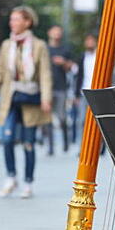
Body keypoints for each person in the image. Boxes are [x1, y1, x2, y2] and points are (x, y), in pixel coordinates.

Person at [0, 6, 52, 198]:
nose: (12, 23)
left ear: (27, 22)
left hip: (30, 98)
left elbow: (45, 74)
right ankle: (11, 177)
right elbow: (0, 73)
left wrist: (46, 99)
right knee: (6, 140)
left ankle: (28, 182)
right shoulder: (7, 45)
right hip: (10, 98)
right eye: (11, 19)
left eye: (16, 19)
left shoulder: (39, 45)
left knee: (28, 143)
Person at [42, 25, 73, 155]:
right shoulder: (44, 49)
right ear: (49, 33)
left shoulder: (65, 49)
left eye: (59, 32)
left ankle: (66, 142)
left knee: (61, 117)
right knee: (47, 118)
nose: (56, 34)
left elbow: (71, 67)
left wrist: (63, 63)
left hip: (61, 87)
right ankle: (50, 147)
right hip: (46, 88)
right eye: (54, 31)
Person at [75, 33, 97, 144]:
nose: (89, 43)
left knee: (97, 121)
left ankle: (97, 146)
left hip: (97, 92)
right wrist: (76, 95)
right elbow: (79, 76)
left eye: (91, 41)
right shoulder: (82, 56)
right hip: (84, 92)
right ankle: (83, 146)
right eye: (87, 41)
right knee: (82, 120)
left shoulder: (100, 56)